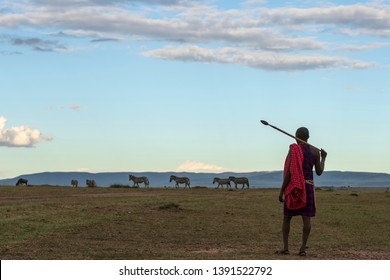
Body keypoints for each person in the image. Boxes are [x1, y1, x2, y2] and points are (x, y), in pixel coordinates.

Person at [276, 127, 327, 256]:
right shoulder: (315, 152)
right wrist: (323, 158)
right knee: (306, 219)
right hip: (308, 187)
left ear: (295, 136)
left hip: (294, 187)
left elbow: (289, 172)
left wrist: (282, 191)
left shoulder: (293, 149)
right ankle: (302, 249)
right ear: (308, 137)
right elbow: (319, 172)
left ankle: (285, 248)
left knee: (287, 218)